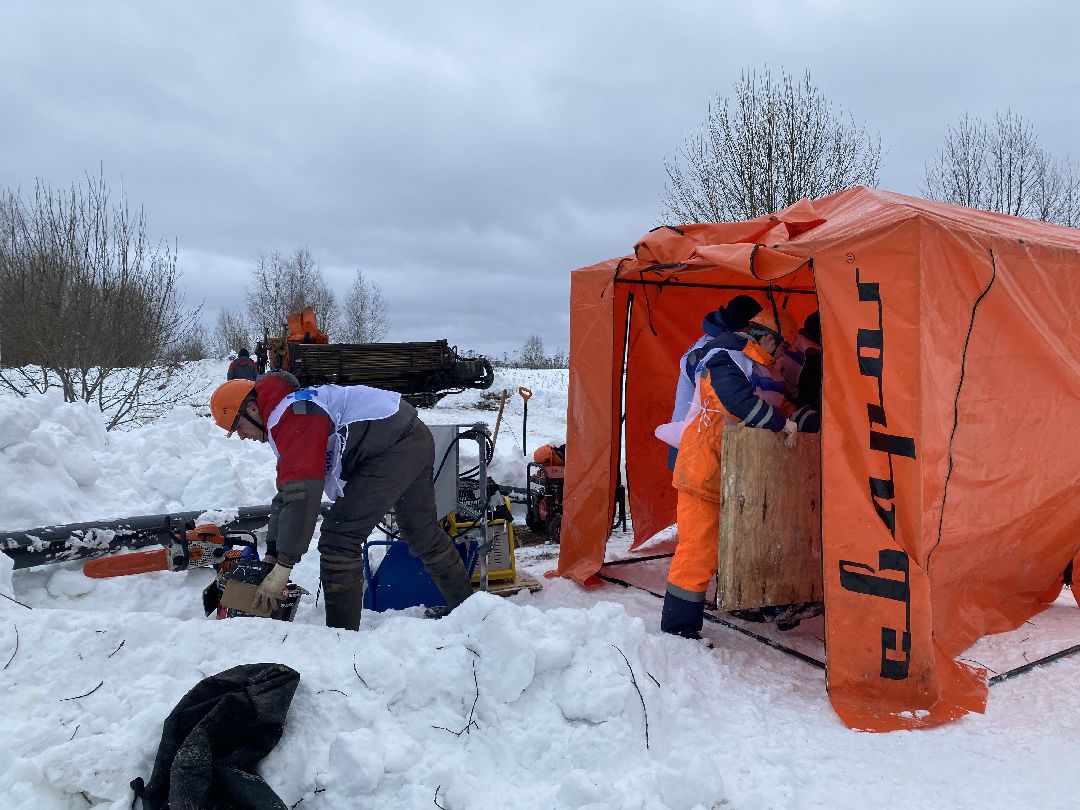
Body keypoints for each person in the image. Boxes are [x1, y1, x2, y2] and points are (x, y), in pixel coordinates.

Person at [208, 372, 474, 630]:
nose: (242, 436)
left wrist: (284, 565)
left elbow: (302, 498)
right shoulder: (288, 411)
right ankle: (471, 612)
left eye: (238, 427)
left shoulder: (293, 415)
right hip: (410, 435)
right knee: (422, 534)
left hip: (392, 446)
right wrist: (273, 554)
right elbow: (286, 495)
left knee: (339, 539)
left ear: (252, 409)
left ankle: (340, 638)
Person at [654, 309, 818, 639]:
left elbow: (783, 405)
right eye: (783, 347)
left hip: (737, 475)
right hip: (704, 470)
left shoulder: (765, 368)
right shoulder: (724, 357)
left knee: (734, 547)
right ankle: (678, 629)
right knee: (697, 551)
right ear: (769, 338)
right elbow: (739, 401)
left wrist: (817, 421)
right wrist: (778, 423)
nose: (784, 355)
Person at [665, 295, 763, 470]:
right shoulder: (710, 350)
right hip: (692, 444)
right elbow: (726, 393)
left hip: (705, 442)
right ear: (747, 327)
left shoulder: (722, 346)